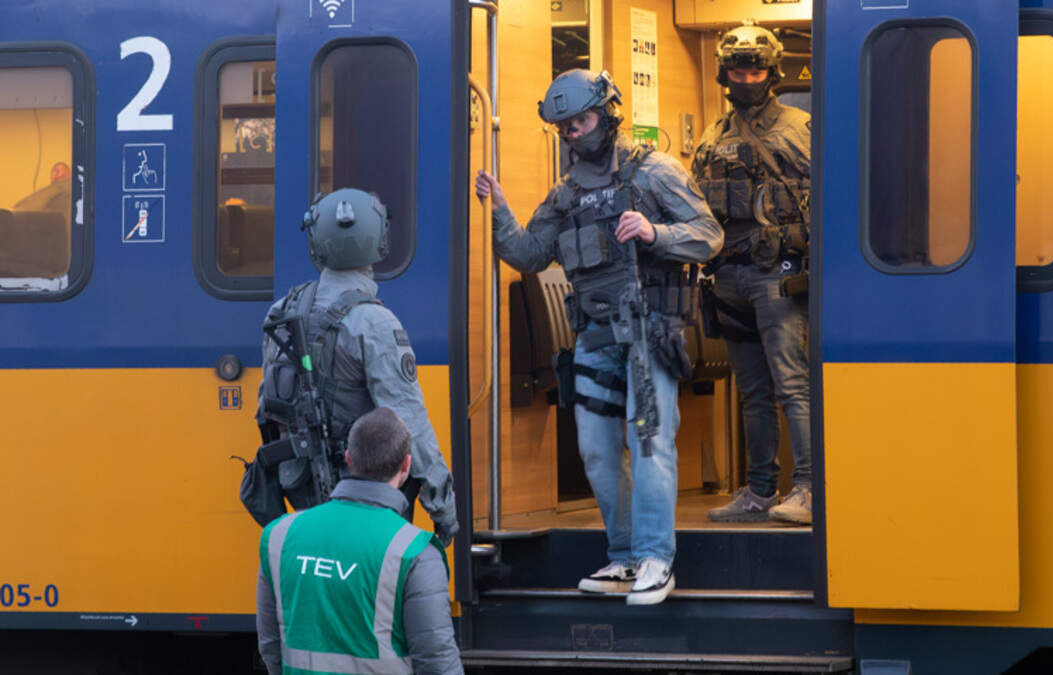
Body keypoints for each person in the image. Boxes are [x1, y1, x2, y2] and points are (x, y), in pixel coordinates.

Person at [475, 69, 722, 606]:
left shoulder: (654, 171)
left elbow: (709, 234)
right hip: (592, 337)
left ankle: (657, 559)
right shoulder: (563, 194)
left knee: (649, 442)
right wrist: (498, 210)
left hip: (649, 332)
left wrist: (657, 233)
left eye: (581, 121)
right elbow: (527, 255)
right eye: (563, 127)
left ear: (607, 114)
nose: (574, 133)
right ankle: (626, 556)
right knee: (596, 452)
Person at [255, 188, 458, 544]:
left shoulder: (283, 310)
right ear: (380, 241)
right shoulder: (374, 323)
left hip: (299, 487)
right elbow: (410, 423)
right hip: (367, 497)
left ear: (316, 243)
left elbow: (267, 406)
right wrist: (443, 508)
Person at [695, 22, 815, 525]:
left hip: (777, 272)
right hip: (728, 276)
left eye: (756, 67)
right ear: (724, 73)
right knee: (752, 392)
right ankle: (761, 490)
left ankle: (809, 488)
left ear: (773, 70)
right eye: (738, 68)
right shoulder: (711, 134)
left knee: (792, 384)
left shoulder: (798, 126)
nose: (747, 77)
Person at [256, 407, 463, 675]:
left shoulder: (279, 536)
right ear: (406, 466)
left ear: (348, 458)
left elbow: (271, 647)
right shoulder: (415, 553)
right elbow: (437, 663)